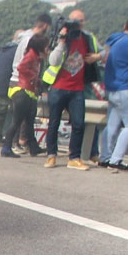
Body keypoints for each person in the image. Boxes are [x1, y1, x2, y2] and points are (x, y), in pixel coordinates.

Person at [43, 9, 103, 170]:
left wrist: (97, 57)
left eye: (81, 21)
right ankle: (51, 156)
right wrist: (62, 41)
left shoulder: (88, 38)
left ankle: (74, 158)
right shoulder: (61, 37)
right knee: (54, 123)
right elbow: (53, 61)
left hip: (77, 89)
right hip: (58, 87)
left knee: (78, 124)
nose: (78, 25)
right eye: (75, 21)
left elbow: (105, 52)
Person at [101, 16, 128, 172]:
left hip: (112, 89)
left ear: (125, 25)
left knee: (112, 126)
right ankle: (116, 159)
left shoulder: (114, 42)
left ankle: (105, 157)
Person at [1, 33, 47, 158]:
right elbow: (22, 68)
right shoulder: (31, 55)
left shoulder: (36, 55)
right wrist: (33, 77)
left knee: (29, 121)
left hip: (29, 91)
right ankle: (6, 147)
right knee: (17, 121)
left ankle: (33, 147)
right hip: (23, 90)